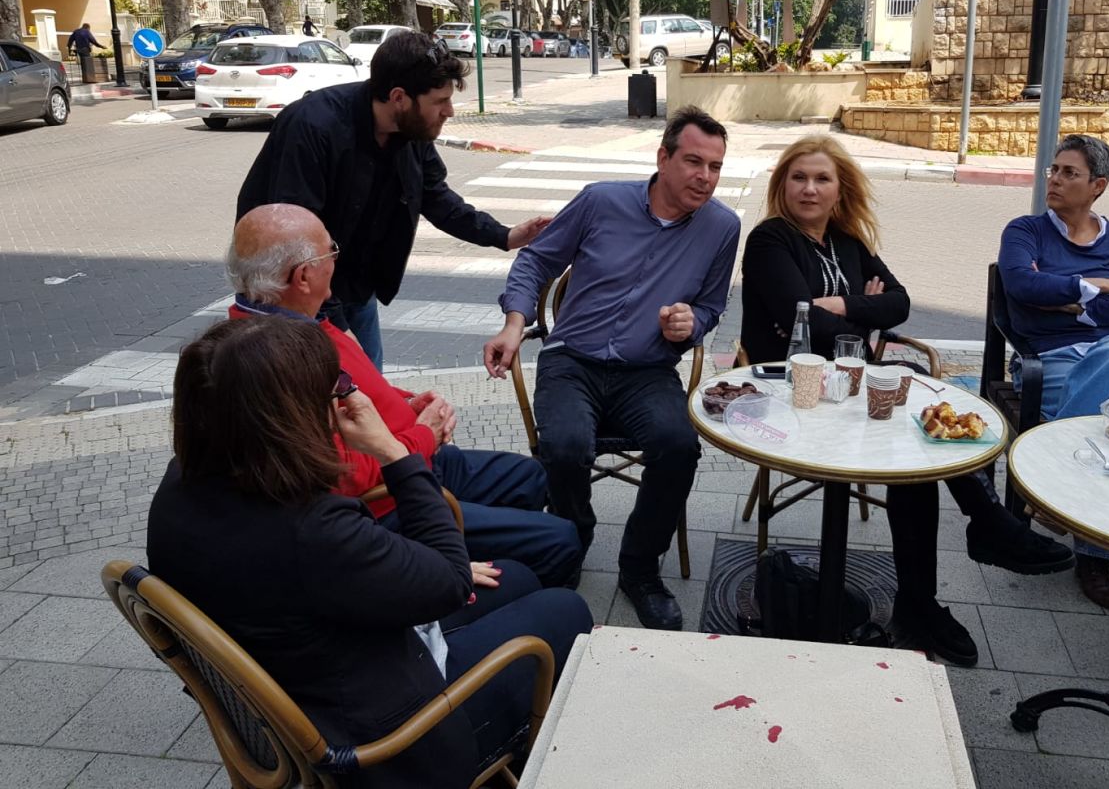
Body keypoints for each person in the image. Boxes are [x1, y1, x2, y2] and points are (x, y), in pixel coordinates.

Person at [147, 317, 591, 789]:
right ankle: (508, 750)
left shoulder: (180, 488)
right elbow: (450, 581)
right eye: (334, 389)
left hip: (307, 671)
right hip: (389, 744)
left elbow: (345, 576)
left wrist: (425, 570)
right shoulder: (312, 528)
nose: (342, 399)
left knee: (516, 578)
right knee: (565, 609)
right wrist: (393, 452)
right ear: (293, 418)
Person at [740, 136, 1073, 667]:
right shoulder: (770, 240)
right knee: (910, 419)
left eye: (822, 179)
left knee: (914, 435)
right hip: (793, 395)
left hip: (850, 385)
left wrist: (840, 306)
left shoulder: (848, 241)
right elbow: (803, 322)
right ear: (783, 185)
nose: (809, 188)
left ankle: (928, 591)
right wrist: (859, 311)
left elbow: (898, 303)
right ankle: (978, 535)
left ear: (839, 189)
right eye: (798, 177)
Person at [226, 202, 583, 589]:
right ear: (303, 276)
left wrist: (405, 402)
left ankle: (494, 562)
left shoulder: (291, 319)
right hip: (391, 497)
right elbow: (345, 475)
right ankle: (491, 589)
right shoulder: (280, 360)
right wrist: (424, 434)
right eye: (331, 251)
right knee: (559, 540)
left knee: (530, 477)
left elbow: (357, 392)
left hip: (412, 456)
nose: (337, 260)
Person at [483, 106, 741, 631]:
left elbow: (713, 306)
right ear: (663, 158)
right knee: (564, 447)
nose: (705, 177)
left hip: (647, 371)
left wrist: (690, 323)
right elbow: (536, 260)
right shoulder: (601, 201)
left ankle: (640, 569)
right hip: (572, 361)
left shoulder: (722, 227)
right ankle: (570, 541)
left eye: (715, 167)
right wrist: (514, 323)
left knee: (679, 445)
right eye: (694, 162)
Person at [236, 31, 550, 370]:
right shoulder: (314, 126)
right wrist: (334, 328)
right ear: (399, 97)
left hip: (355, 289)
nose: (449, 111)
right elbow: (294, 245)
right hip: (291, 304)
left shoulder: (411, 131)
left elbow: (436, 197)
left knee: (371, 389)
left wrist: (504, 235)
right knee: (321, 395)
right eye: (440, 101)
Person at [998, 134, 1109, 611]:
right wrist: (1098, 288)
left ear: (1098, 186)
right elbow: (1022, 287)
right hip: (1051, 357)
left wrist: (1070, 301)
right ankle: (1094, 554)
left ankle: (1053, 493)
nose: (1055, 179)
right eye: (1054, 170)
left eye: (1070, 173)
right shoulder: (1025, 231)